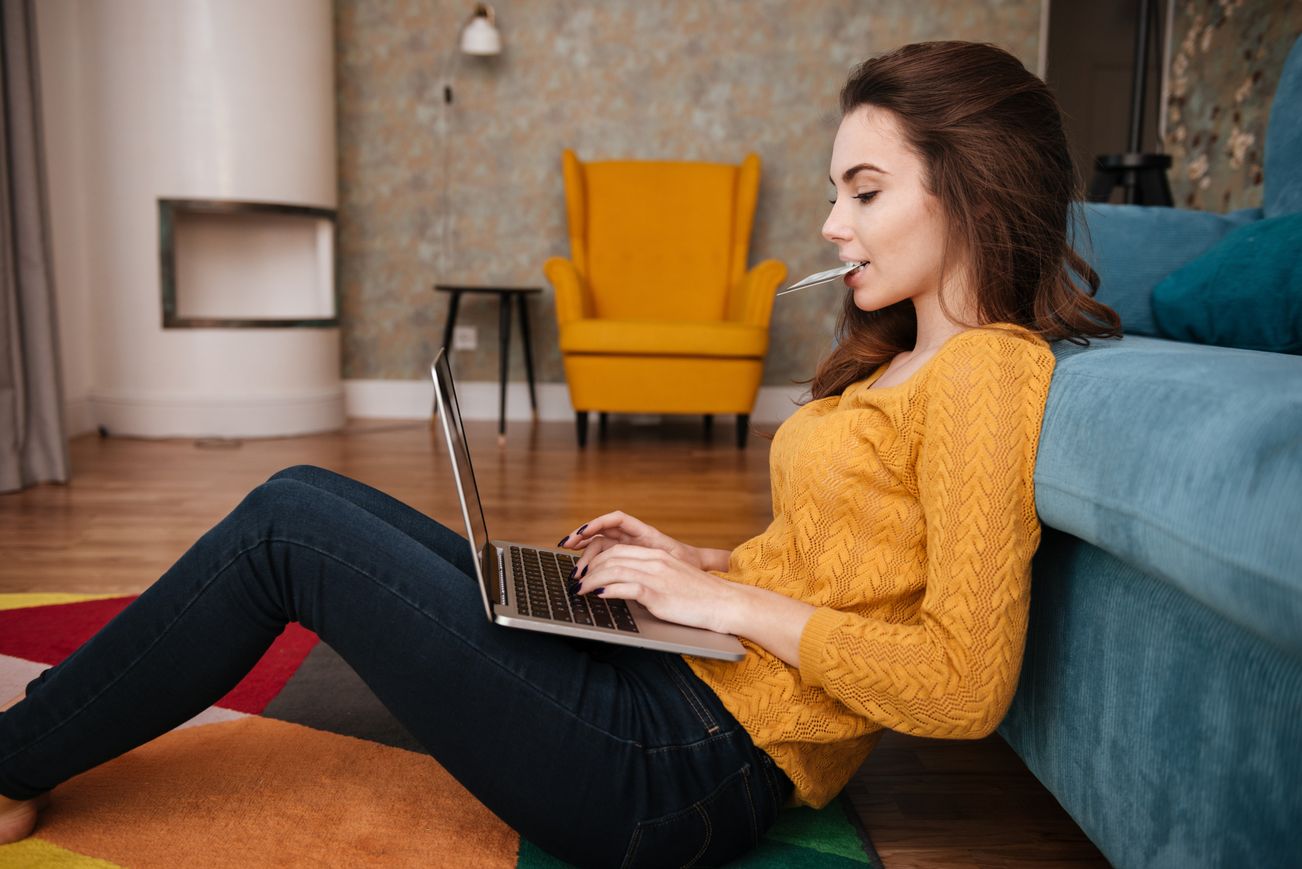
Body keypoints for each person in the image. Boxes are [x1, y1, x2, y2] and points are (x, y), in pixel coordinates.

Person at [0, 40, 1120, 867]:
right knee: (300, 493)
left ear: (970, 185)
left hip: (683, 770)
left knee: (291, 532)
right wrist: (700, 563)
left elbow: (965, 681)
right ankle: (51, 722)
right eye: (835, 190)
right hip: (681, 682)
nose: (831, 222)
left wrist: (722, 608)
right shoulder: (897, 363)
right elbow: (847, 564)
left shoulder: (988, 370)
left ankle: (14, 754)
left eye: (864, 191)